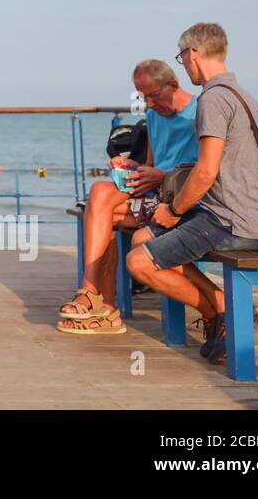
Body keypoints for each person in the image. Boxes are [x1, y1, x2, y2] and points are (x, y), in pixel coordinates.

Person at [126, 23, 258, 364]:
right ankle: (224, 310)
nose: (184, 65)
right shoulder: (240, 94)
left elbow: (205, 171)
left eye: (182, 58)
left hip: (229, 220)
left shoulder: (213, 99)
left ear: (193, 54)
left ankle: (224, 310)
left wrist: (174, 210)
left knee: (139, 262)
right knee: (142, 239)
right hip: (237, 212)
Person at [56, 60, 197, 335]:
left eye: (153, 95)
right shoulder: (155, 116)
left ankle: (102, 305)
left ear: (174, 85)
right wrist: (131, 167)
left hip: (181, 200)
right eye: (143, 97)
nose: (149, 104)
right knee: (99, 193)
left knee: (101, 211)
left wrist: (160, 175)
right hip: (155, 191)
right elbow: (154, 163)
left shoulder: (200, 113)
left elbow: (205, 170)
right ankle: (95, 296)